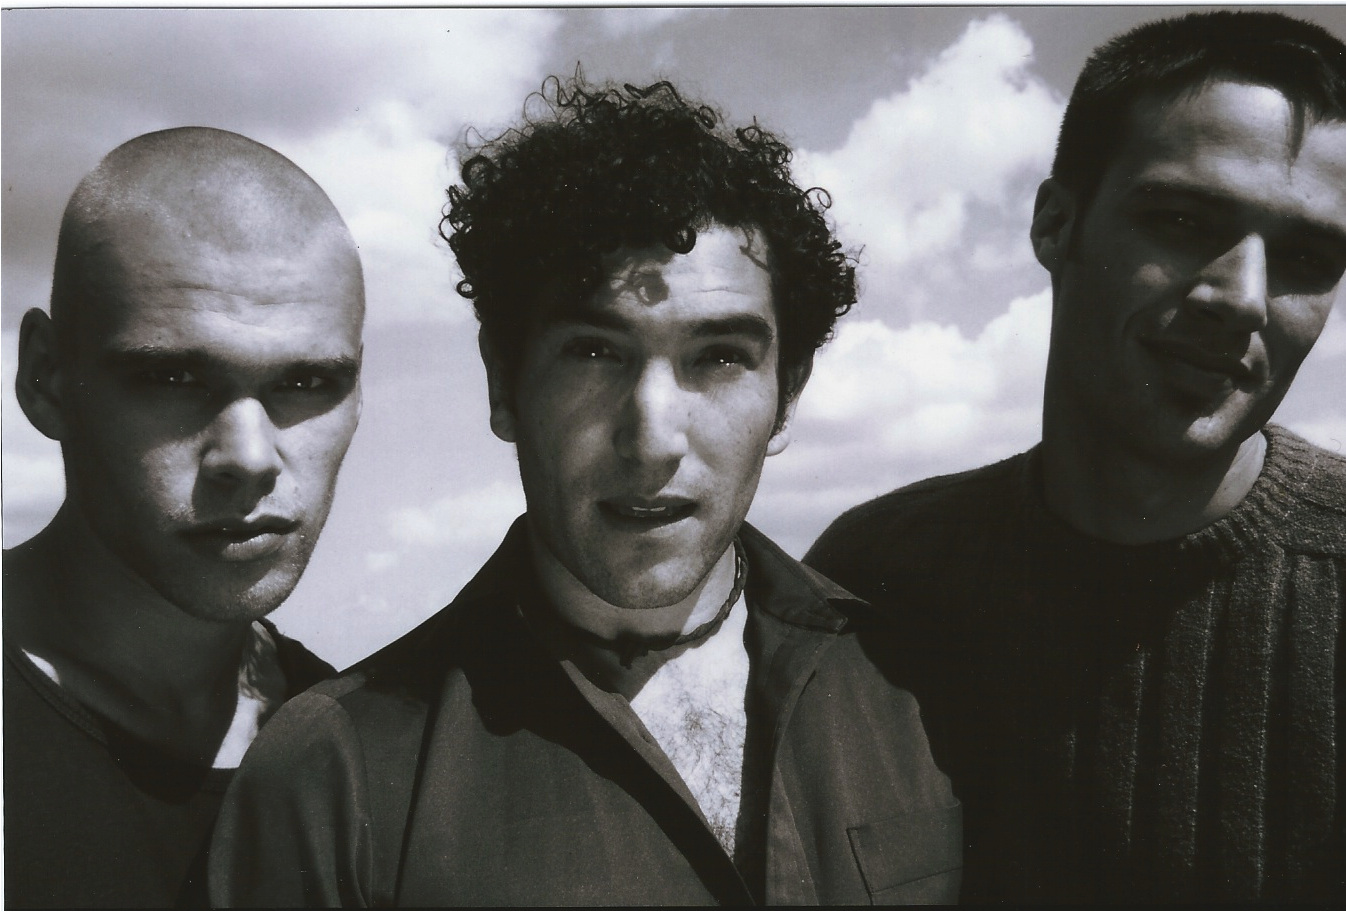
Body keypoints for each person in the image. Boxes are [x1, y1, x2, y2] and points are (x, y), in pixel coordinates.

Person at [210, 77, 961, 907]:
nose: (653, 438)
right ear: (504, 383)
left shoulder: (929, 689)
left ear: (786, 395)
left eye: (718, 357)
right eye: (595, 354)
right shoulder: (332, 776)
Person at [805, 10, 1346, 906]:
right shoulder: (872, 581)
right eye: (1182, 220)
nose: (1243, 298)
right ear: (1055, 224)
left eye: (1306, 256)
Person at [3, 127, 365, 908]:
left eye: (307, 382)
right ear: (45, 377)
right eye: (172, 377)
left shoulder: (358, 755)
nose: (250, 457)